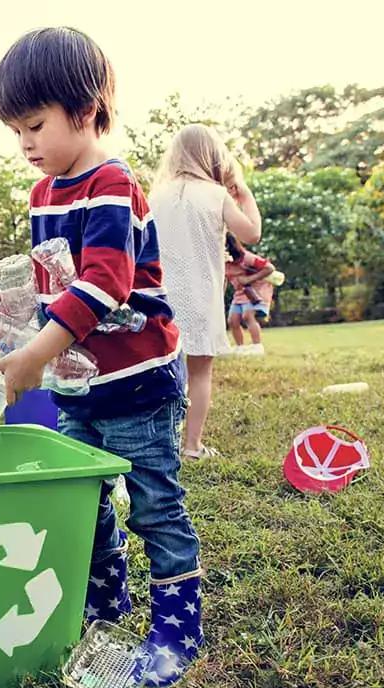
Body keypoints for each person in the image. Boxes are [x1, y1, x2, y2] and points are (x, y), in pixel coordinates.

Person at [0, 26, 202, 687]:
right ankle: (103, 607)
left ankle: (177, 628)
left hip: (138, 385)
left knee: (154, 503)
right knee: (86, 503)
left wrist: (37, 356)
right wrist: (15, 317)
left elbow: (104, 283)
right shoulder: (42, 195)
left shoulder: (110, 182)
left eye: (35, 125)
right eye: (15, 129)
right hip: (80, 388)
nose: (24, 143)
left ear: (84, 110)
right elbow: (58, 283)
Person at [149, 124, 263, 460]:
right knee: (200, 373)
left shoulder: (155, 196)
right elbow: (252, 233)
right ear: (212, 156)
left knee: (160, 372)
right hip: (200, 296)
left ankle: (159, 442)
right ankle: (192, 446)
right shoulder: (217, 195)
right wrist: (243, 192)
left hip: (160, 298)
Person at [225, 234, 275, 354]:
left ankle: (257, 346)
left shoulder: (247, 258)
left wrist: (249, 279)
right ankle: (240, 347)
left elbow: (269, 268)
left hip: (254, 291)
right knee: (233, 320)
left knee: (247, 316)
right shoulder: (224, 262)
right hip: (239, 293)